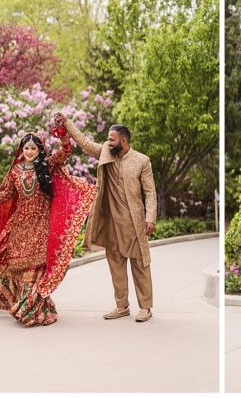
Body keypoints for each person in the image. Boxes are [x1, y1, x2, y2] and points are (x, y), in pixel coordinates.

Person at [0, 127, 96, 326]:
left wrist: (64, 136)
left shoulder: (47, 165)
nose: (29, 151)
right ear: (21, 150)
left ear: (39, 151)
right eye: (26, 148)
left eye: (33, 149)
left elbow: (65, 152)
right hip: (20, 227)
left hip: (42, 225)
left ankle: (28, 308)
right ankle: (37, 306)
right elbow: (7, 195)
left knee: (37, 269)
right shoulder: (15, 172)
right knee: (22, 268)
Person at [56, 113, 158, 323]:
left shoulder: (141, 161)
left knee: (140, 266)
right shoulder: (105, 152)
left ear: (124, 140)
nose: (108, 142)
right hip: (111, 222)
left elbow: (150, 192)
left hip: (134, 223)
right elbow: (83, 142)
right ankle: (122, 306)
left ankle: (146, 308)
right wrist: (66, 122)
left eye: (112, 139)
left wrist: (151, 218)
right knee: (116, 266)